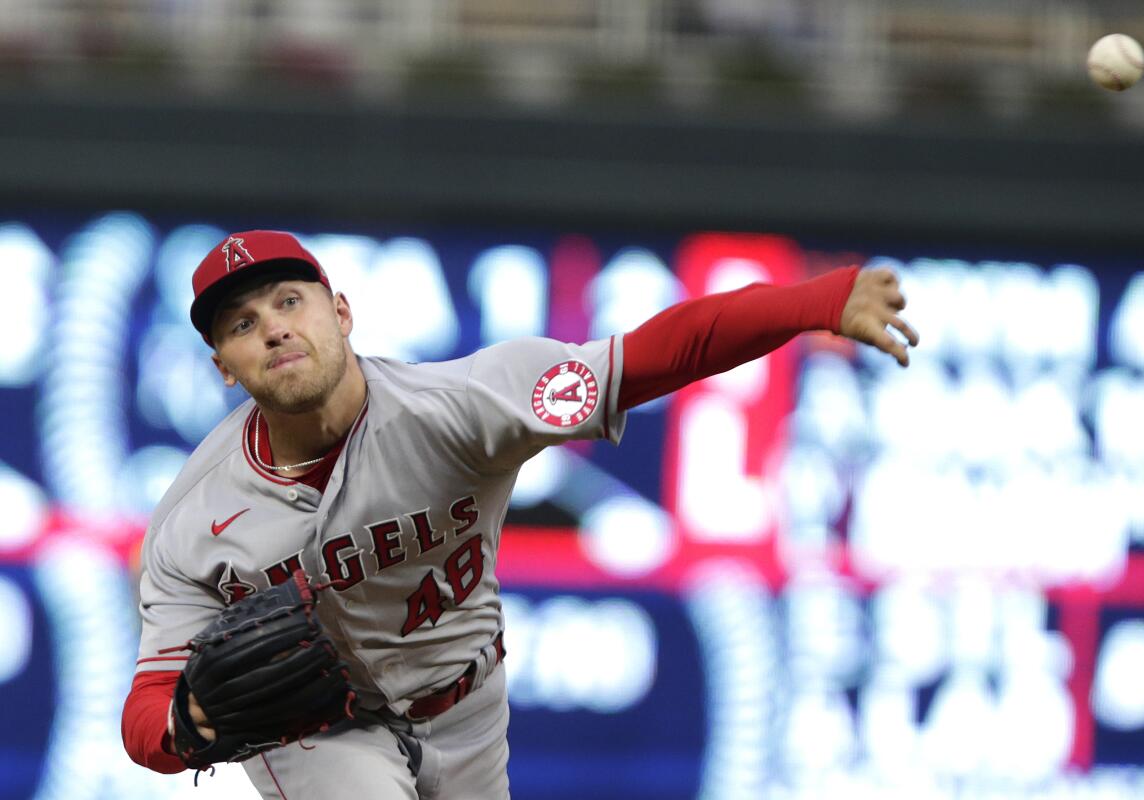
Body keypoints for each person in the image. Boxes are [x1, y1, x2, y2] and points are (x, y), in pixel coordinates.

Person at [121, 230, 917, 799]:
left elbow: (653, 355)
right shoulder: (196, 519)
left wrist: (816, 300)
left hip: (468, 703)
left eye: (289, 302)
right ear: (223, 367)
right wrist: (189, 722)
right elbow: (145, 713)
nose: (274, 330)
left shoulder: (466, 406)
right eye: (242, 325)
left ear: (341, 311)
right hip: (320, 736)